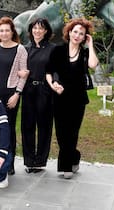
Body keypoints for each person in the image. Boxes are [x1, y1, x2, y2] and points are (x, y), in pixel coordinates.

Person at [46, 18, 99, 179]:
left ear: (84, 37)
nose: (77, 35)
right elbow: (48, 72)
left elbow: (93, 65)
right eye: (75, 31)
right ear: (69, 32)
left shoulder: (84, 52)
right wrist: (53, 85)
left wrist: (90, 45)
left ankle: (66, 167)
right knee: (62, 134)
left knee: (72, 133)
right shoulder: (58, 51)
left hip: (78, 99)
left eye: (81, 34)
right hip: (60, 97)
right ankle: (74, 157)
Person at [0, 16, 29, 175]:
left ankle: (10, 162)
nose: (4, 33)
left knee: (8, 129)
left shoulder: (20, 49)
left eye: (7, 30)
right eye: (2, 31)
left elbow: (23, 74)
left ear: (12, 32)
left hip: (10, 94)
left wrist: (17, 94)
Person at [21, 18, 55, 174]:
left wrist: (55, 84)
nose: (37, 31)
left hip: (45, 91)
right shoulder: (24, 49)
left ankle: (40, 161)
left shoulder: (53, 49)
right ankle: (29, 161)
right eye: (35, 28)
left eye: (41, 28)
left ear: (46, 31)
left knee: (44, 127)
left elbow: (56, 70)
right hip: (28, 91)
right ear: (31, 30)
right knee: (27, 126)